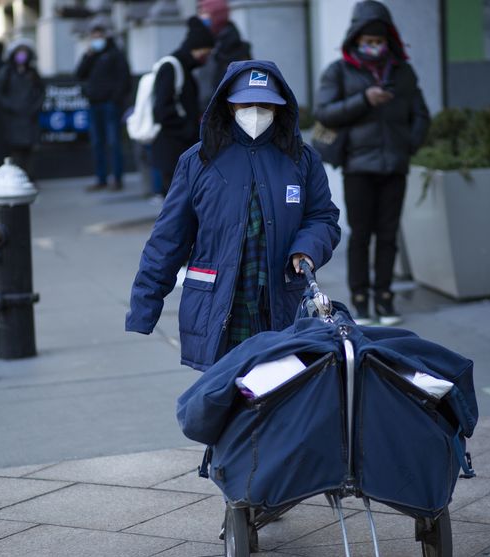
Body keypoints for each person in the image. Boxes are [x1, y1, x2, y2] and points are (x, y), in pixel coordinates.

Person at [126, 60, 341, 371]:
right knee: (226, 395)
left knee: (283, 393)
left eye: (265, 104)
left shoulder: (302, 159)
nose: (255, 111)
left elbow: (323, 217)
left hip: (282, 304)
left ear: (279, 108)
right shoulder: (197, 162)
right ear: (228, 105)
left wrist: (308, 247)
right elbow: (168, 239)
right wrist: (144, 307)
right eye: (246, 103)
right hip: (217, 309)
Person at [314, 0, 429, 326]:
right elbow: (325, 113)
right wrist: (365, 99)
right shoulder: (339, 71)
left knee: (388, 235)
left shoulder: (402, 72)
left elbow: (421, 114)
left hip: (394, 165)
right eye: (368, 41)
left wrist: (408, 145)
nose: (374, 46)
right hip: (358, 166)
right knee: (361, 235)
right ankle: (361, 300)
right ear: (356, 40)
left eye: (379, 40)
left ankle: (385, 298)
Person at [151, 16, 215, 197]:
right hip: (173, 148)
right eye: (206, 52)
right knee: (175, 200)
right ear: (197, 48)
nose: (207, 57)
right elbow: (162, 110)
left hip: (179, 147)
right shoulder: (172, 67)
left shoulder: (184, 68)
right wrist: (187, 129)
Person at [75, 22, 131, 190]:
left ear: (105, 37)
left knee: (114, 142)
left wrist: (115, 99)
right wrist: (87, 56)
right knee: (97, 143)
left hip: (110, 104)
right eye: (94, 37)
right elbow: (79, 74)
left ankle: (117, 179)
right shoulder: (91, 56)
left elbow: (124, 79)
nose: (97, 40)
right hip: (94, 104)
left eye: (99, 37)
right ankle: (101, 179)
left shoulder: (115, 54)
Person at [0, 39, 45, 176]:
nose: (22, 55)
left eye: (24, 52)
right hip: (13, 118)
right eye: (19, 52)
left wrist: (35, 107)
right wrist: (10, 106)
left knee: (30, 149)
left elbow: (41, 92)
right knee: (16, 150)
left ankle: (29, 177)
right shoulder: (7, 72)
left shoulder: (32, 73)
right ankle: (17, 177)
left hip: (29, 117)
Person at [194, 0, 252, 113]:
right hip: (205, 111)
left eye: (204, 13)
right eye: (199, 13)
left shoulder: (233, 47)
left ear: (217, 15)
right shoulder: (207, 43)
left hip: (222, 113)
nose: (201, 17)